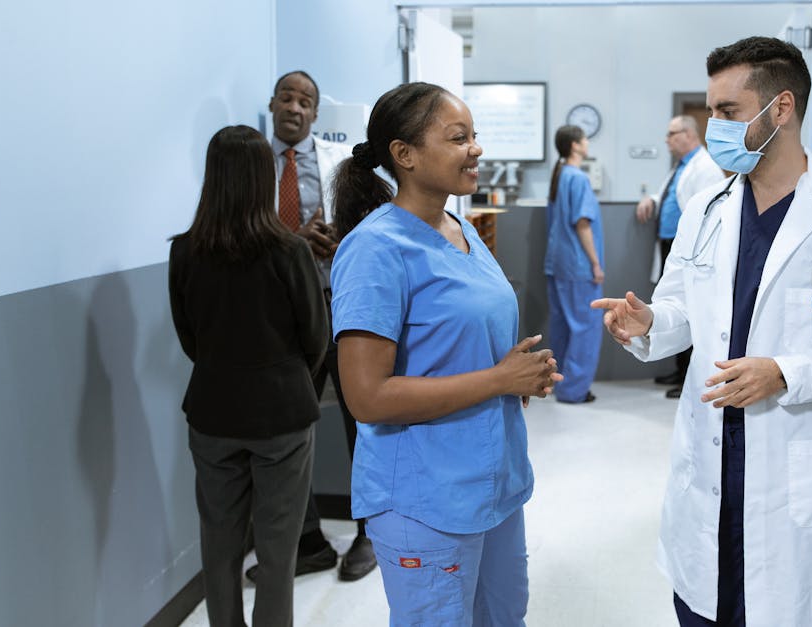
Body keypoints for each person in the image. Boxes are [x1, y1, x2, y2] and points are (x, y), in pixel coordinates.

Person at [592, 37, 812, 627]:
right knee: (705, 607)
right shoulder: (706, 210)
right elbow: (682, 313)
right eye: (710, 110)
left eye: (726, 112)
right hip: (711, 462)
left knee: (784, 607)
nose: (711, 125)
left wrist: (784, 373)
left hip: (794, 469)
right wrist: (648, 324)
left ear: (782, 109)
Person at [329, 81, 562, 626]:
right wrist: (499, 380)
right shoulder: (376, 250)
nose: (476, 149)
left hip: (493, 485)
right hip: (425, 501)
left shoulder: (459, 227)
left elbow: (462, 341)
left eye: (474, 136)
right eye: (459, 138)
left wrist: (521, 377)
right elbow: (366, 396)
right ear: (403, 155)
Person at [169, 124, 328, 627]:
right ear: (264, 176)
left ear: (212, 177)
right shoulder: (290, 251)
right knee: (278, 552)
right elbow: (317, 340)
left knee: (219, 547)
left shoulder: (185, 250)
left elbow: (189, 338)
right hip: (282, 414)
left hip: (213, 411)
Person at [251, 69, 377, 583]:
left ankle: (370, 533)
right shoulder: (251, 165)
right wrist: (292, 240)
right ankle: (306, 543)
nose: (296, 108)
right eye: (287, 98)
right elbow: (241, 235)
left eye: (306, 101)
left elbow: (368, 227)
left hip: (337, 307)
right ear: (273, 104)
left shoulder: (336, 161)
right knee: (289, 432)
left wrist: (336, 237)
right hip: (281, 319)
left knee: (362, 422)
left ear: (316, 113)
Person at [635, 115, 725, 399]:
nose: (667, 139)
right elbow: (672, 194)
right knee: (672, 303)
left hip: (691, 251)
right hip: (671, 245)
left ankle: (688, 375)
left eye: (672, 133)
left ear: (688, 134)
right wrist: (651, 198)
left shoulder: (706, 167)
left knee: (689, 308)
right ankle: (677, 369)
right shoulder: (682, 166)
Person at [544, 124, 604, 404]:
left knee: (564, 326)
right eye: (584, 139)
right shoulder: (577, 178)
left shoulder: (559, 176)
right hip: (578, 265)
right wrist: (595, 264)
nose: (586, 143)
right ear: (576, 145)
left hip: (557, 264)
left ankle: (562, 384)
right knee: (585, 328)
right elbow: (582, 224)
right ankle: (574, 390)